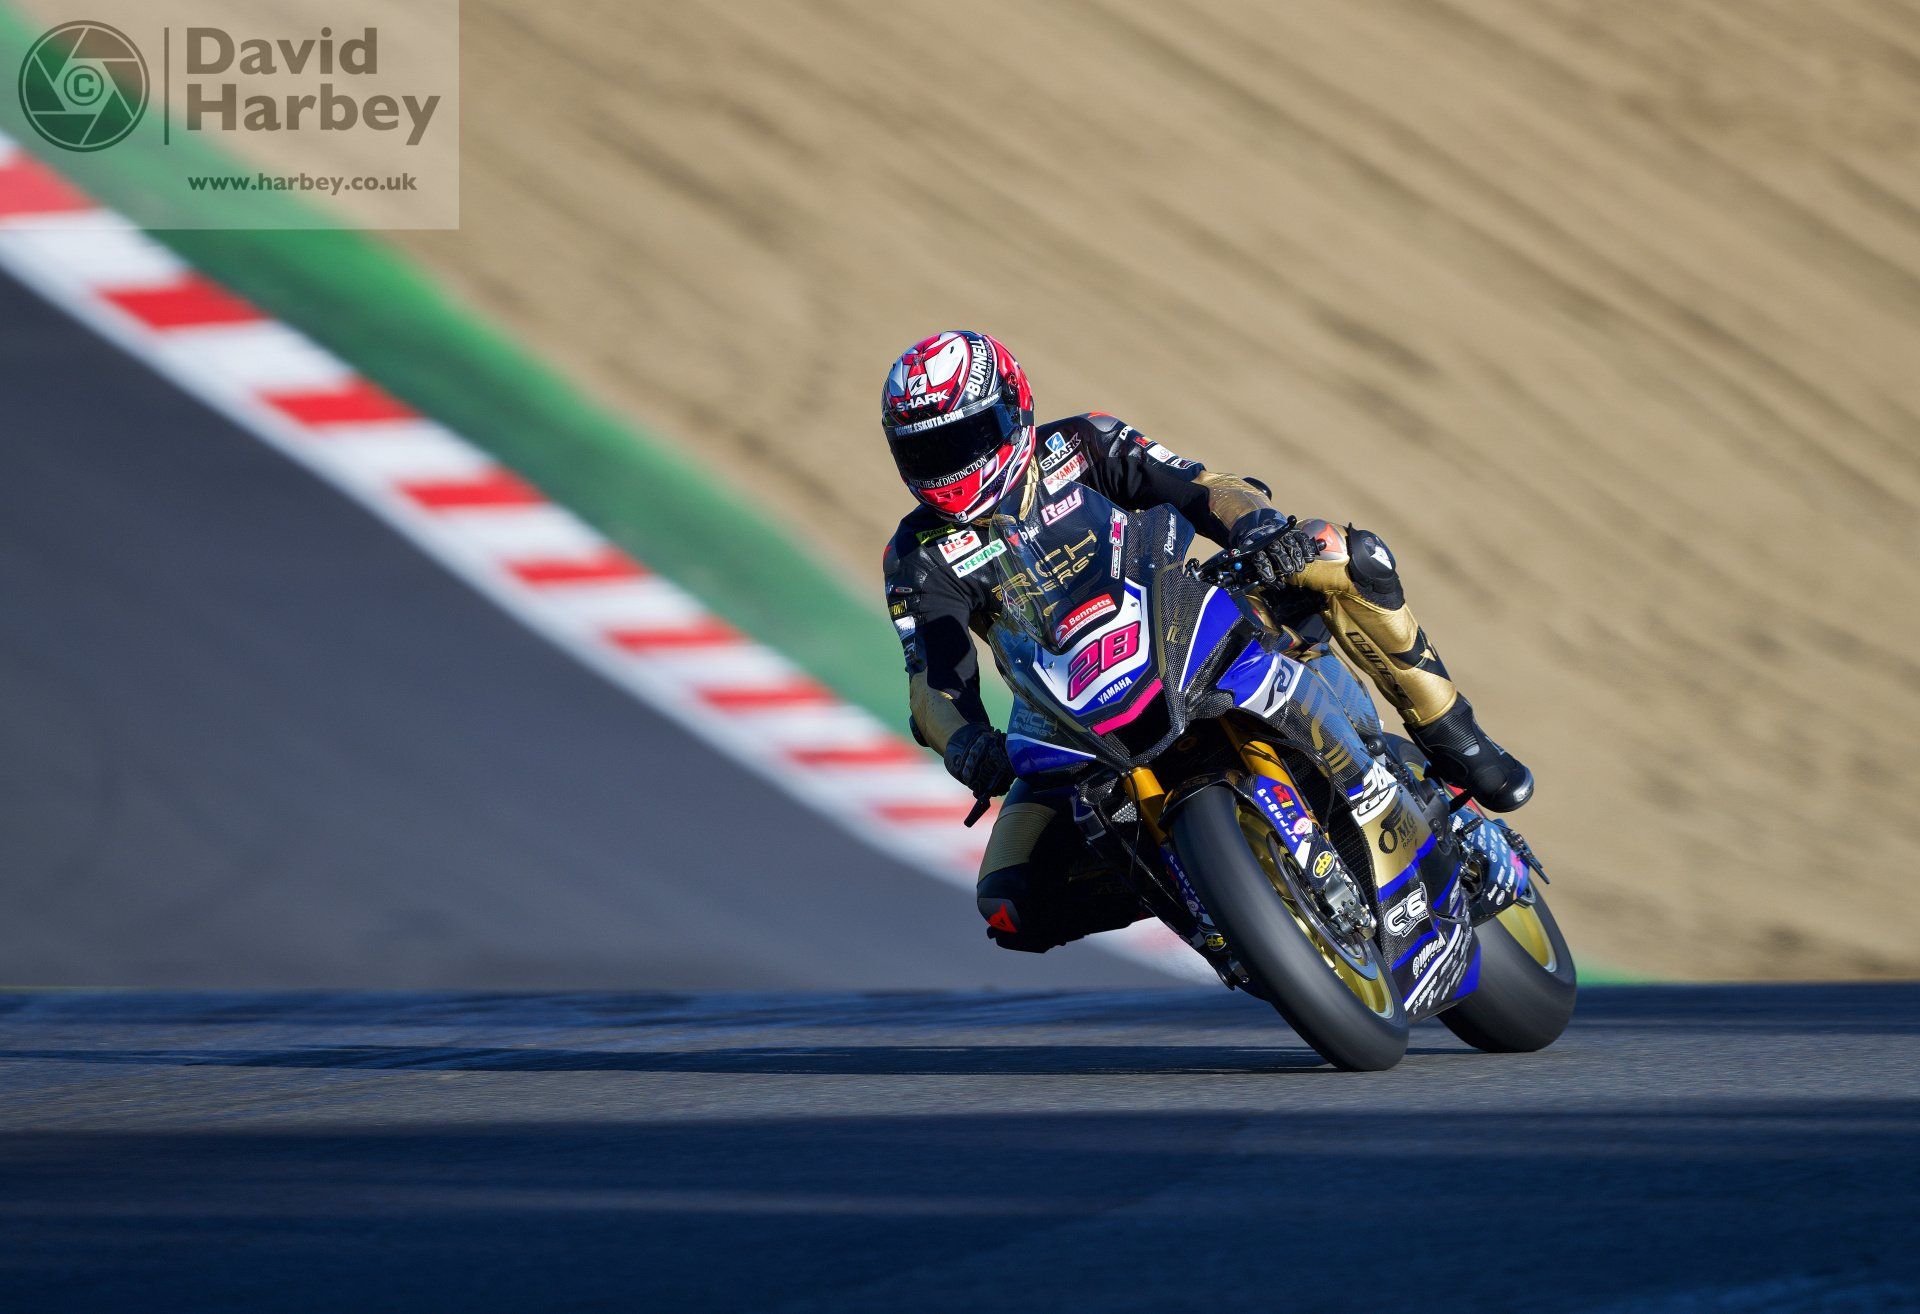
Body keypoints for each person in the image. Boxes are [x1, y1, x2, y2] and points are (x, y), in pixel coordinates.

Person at [880, 330, 1531, 954]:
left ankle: (1460, 743)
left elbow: (1202, 486)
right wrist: (965, 743)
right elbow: (933, 679)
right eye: (927, 452)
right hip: (1063, 709)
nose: (952, 466)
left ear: (1013, 407)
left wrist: (1261, 532)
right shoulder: (917, 557)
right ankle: (1217, 900)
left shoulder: (1080, 444)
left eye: (965, 439)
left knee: (1341, 553)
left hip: (1182, 614)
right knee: (1009, 901)